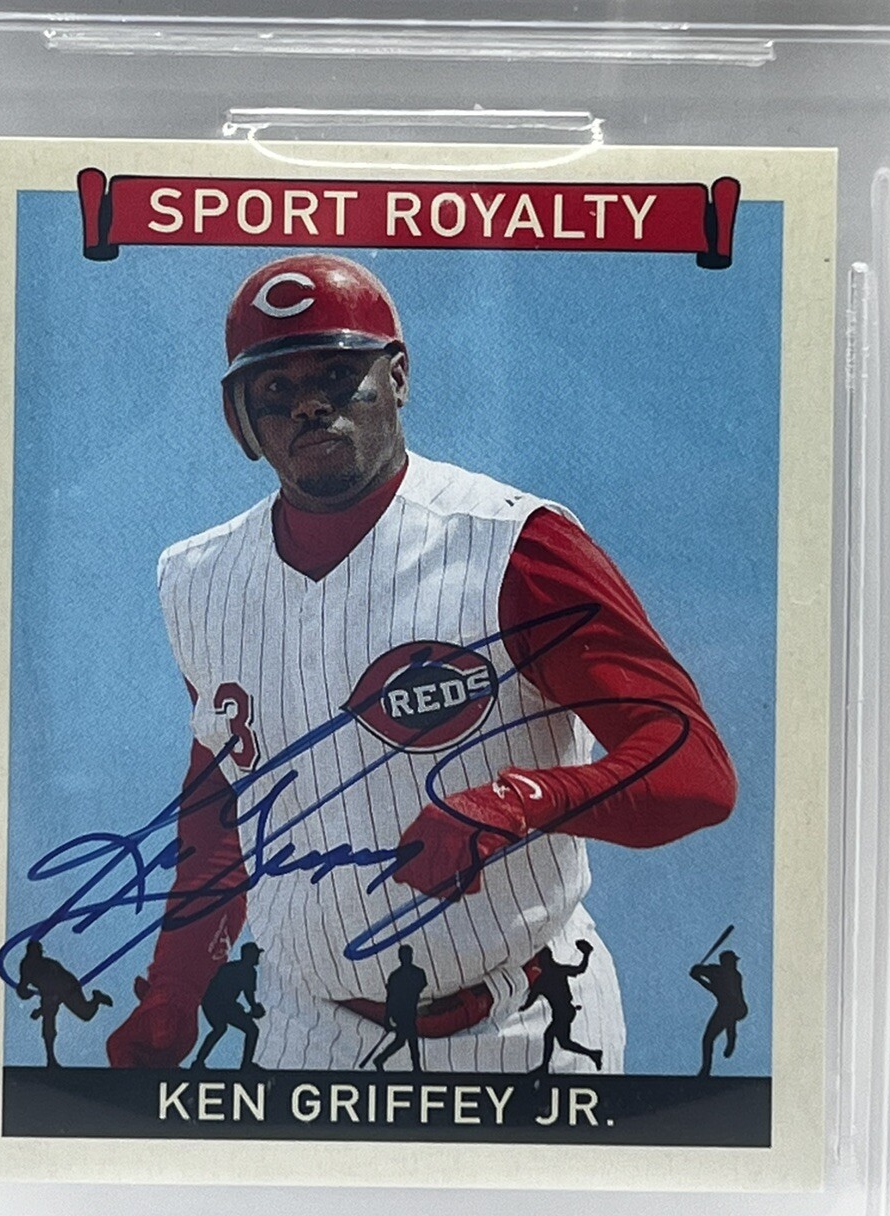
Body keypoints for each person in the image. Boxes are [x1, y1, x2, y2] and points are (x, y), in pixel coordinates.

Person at [107, 253, 736, 1073]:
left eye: (338, 374)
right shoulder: (199, 579)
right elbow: (224, 806)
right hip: (306, 1028)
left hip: (525, 1023)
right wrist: (174, 989)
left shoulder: (515, 546)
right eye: (275, 387)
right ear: (239, 419)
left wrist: (524, 801)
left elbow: (696, 771)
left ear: (397, 378)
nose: (309, 404)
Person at [15, 939, 112, 1068]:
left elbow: (55, 994)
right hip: (53, 992)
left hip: (68, 988)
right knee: (49, 1023)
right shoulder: (26, 966)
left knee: (86, 1014)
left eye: (38, 952)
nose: (36, 954)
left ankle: (97, 999)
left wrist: (40, 1010)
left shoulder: (49, 967)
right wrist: (39, 1006)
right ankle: (51, 1059)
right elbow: (27, 987)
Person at [519, 940, 602, 1073]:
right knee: (564, 1043)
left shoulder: (549, 976)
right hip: (562, 1012)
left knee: (550, 1035)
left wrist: (586, 954)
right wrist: (524, 1007)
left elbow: (580, 969)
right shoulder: (551, 975)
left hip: (565, 1011)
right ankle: (593, 1054)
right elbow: (532, 997)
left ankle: (545, 1067)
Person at [190, 943, 266, 1071]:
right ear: (249, 956)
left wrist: (246, 1009)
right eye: (255, 955)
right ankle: (246, 1065)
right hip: (217, 1003)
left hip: (213, 1003)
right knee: (251, 1030)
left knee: (219, 1028)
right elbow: (247, 995)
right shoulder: (247, 971)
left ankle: (199, 1062)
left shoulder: (232, 968)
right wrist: (253, 1008)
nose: (257, 957)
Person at [689, 949, 748, 1077]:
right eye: (732, 961)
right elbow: (712, 987)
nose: (735, 964)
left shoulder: (730, 974)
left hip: (735, 1007)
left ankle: (731, 1038)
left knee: (727, 1015)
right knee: (708, 1038)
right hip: (728, 1007)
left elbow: (713, 985)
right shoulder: (720, 972)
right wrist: (698, 975)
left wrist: (698, 974)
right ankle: (706, 1068)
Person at [371, 945, 429, 1072]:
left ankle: (381, 1059)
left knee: (402, 1040)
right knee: (409, 1039)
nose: (406, 958)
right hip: (401, 1013)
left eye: (407, 955)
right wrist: (388, 1017)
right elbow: (391, 998)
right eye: (404, 955)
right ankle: (416, 1067)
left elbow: (421, 986)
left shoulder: (416, 973)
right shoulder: (396, 976)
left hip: (410, 1010)